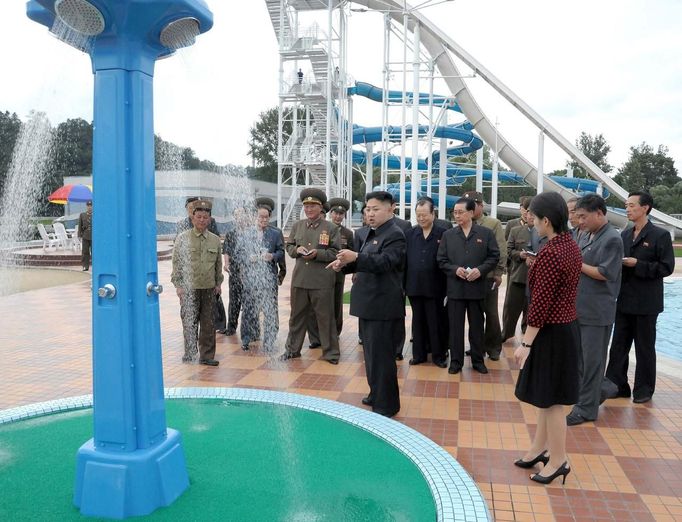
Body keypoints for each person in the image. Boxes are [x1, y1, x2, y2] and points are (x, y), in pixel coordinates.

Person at [513, 192, 581, 485]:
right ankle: (539, 448)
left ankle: (559, 460)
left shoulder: (553, 252)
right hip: (563, 329)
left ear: (547, 220)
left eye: (534, 217)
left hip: (551, 333)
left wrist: (526, 343)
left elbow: (541, 304)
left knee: (552, 402)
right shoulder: (568, 244)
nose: (531, 220)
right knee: (545, 395)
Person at [328, 191, 406, 417]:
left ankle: (387, 404)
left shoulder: (395, 234)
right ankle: (375, 393)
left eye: (375, 209)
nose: (370, 214)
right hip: (369, 303)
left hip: (383, 304)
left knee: (382, 357)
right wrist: (343, 264)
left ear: (391, 209)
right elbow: (364, 264)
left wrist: (356, 258)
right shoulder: (370, 234)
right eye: (367, 209)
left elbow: (386, 262)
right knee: (371, 355)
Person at [603, 192, 675, 404]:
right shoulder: (624, 235)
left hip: (646, 302)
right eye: (626, 205)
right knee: (618, 345)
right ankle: (617, 385)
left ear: (645, 208)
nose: (628, 209)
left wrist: (639, 265)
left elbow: (667, 267)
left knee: (644, 347)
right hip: (624, 299)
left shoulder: (659, 235)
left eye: (632, 205)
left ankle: (644, 389)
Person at [566, 194, 623, 426]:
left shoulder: (611, 239)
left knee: (592, 361)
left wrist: (576, 263)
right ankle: (601, 389)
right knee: (580, 360)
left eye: (583, 216)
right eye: (577, 216)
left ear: (599, 213)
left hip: (597, 311)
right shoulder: (585, 233)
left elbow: (604, 273)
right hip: (580, 307)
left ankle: (587, 409)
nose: (580, 221)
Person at [437, 197, 499, 374]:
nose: (457, 216)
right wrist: (454, 269)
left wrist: (480, 270)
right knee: (455, 328)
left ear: (471, 213)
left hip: (477, 288)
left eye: (460, 212)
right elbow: (441, 260)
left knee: (477, 327)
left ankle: (478, 361)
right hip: (455, 289)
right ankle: (456, 362)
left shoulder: (485, 234)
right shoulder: (448, 235)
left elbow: (494, 256)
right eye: (455, 212)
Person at [280, 188, 341, 364]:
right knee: (296, 317)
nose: (309, 209)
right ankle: (292, 350)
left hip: (321, 281)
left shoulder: (331, 228)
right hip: (300, 280)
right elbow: (289, 246)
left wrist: (318, 254)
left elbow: (336, 252)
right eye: (306, 206)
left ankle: (331, 354)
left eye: (313, 206)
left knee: (325, 319)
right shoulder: (298, 225)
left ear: (321, 207)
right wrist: (296, 250)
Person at [171, 200, 223, 366]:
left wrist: (218, 283)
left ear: (209, 219)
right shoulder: (183, 238)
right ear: (192, 218)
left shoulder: (215, 240)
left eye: (205, 217)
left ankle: (207, 355)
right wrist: (178, 285)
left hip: (208, 288)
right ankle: (190, 352)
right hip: (189, 288)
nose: (202, 220)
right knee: (189, 322)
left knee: (208, 324)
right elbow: (177, 263)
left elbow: (218, 264)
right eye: (199, 216)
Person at [462, 191, 507, 361]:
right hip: (468, 277)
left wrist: (498, 272)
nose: (470, 209)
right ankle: (477, 347)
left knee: (491, 313)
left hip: (487, 277)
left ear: (481, 205)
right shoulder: (463, 222)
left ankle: (493, 347)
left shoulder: (492, 224)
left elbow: (501, 249)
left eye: (473, 205)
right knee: (475, 314)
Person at [405, 198, 448, 368]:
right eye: (418, 215)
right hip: (414, 285)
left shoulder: (443, 233)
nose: (421, 218)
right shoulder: (410, 233)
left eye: (424, 215)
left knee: (435, 321)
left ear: (433, 214)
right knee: (418, 321)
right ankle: (419, 355)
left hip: (436, 286)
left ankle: (438, 356)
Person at [239, 197, 285, 352]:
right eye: (260, 217)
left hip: (268, 278)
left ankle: (270, 341)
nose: (263, 220)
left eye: (266, 217)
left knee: (270, 310)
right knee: (248, 309)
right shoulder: (247, 233)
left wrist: (272, 256)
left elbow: (281, 252)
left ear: (269, 217)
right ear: (255, 217)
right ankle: (247, 338)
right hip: (251, 278)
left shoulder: (275, 233)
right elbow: (240, 253)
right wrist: (248, 259)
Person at [502, 198, 533, 341]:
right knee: (511, 307)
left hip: (535, 278)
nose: (530, 216)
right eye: (528, 212)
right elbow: (508, 250)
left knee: (531, 309)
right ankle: (506, 333)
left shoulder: (543, 233)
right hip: (518, 275)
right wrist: (520, 255)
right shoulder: (515, 229)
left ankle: (527, 334)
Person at [222, 207, 252, 336]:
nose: (240, 219)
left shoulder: (252, 233)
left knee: (248, 300)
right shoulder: (231, 233)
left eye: (242, 215)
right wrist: (226, 263)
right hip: (235, 270)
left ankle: (249, 329)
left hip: (250, 271)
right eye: (237, 216)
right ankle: (231, 327)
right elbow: (226, 250)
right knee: (234, 299)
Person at [328, 197, 354, 336]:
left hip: (339, 273)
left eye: (341, 214)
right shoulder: (323, 228)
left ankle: (336, 331)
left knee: (337, 302)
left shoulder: (348, 233)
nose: (338, 216)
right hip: (323, 272)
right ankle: (321, 332)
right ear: (330, 213)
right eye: (335, 213)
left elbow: (352, 252)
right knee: (321, 302)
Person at [78, 200, 93, 271]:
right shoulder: (82, 215)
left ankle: (96, 266)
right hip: (85, 236)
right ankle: (85, 266)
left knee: (95, 252)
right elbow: (80, 226)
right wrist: (79, 235)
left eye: (91, 206)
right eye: (88, 206)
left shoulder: (96, 214)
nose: (89, 207)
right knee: (85, 252)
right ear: (86, 206)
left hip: (94, 236)